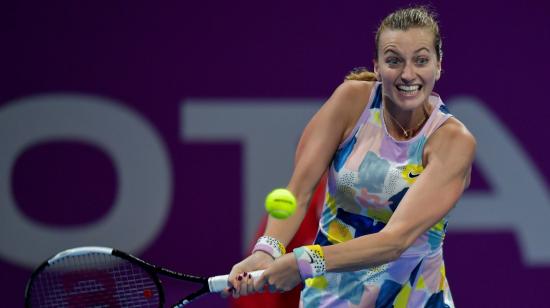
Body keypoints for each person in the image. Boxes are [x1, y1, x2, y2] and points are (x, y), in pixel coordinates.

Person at [223, 6, 475, 307]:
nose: (408, 74)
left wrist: (302, 262)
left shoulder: (452, 141)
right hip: (327, 299)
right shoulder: (350, 102)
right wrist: (267, 250)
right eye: (394, 60)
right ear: (378, 66)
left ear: (438, 66)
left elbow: (395, 241)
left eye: (421, 60)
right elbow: (298, 192)